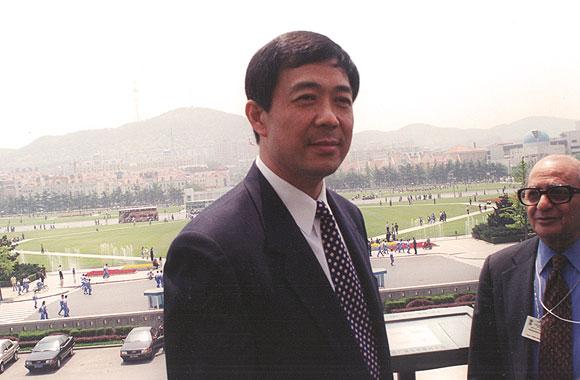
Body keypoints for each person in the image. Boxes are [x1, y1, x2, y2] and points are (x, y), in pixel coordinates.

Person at [164, 31, 392, 379]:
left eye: (342, 101)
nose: (330, 117)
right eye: (307, 99)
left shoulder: (348, 217)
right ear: (258, 117)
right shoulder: (210, 250)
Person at [468, 155, 580, 379]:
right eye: (533, 194)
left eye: (558, 193)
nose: (543, 204)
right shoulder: (498, 270)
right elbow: (484, 367)